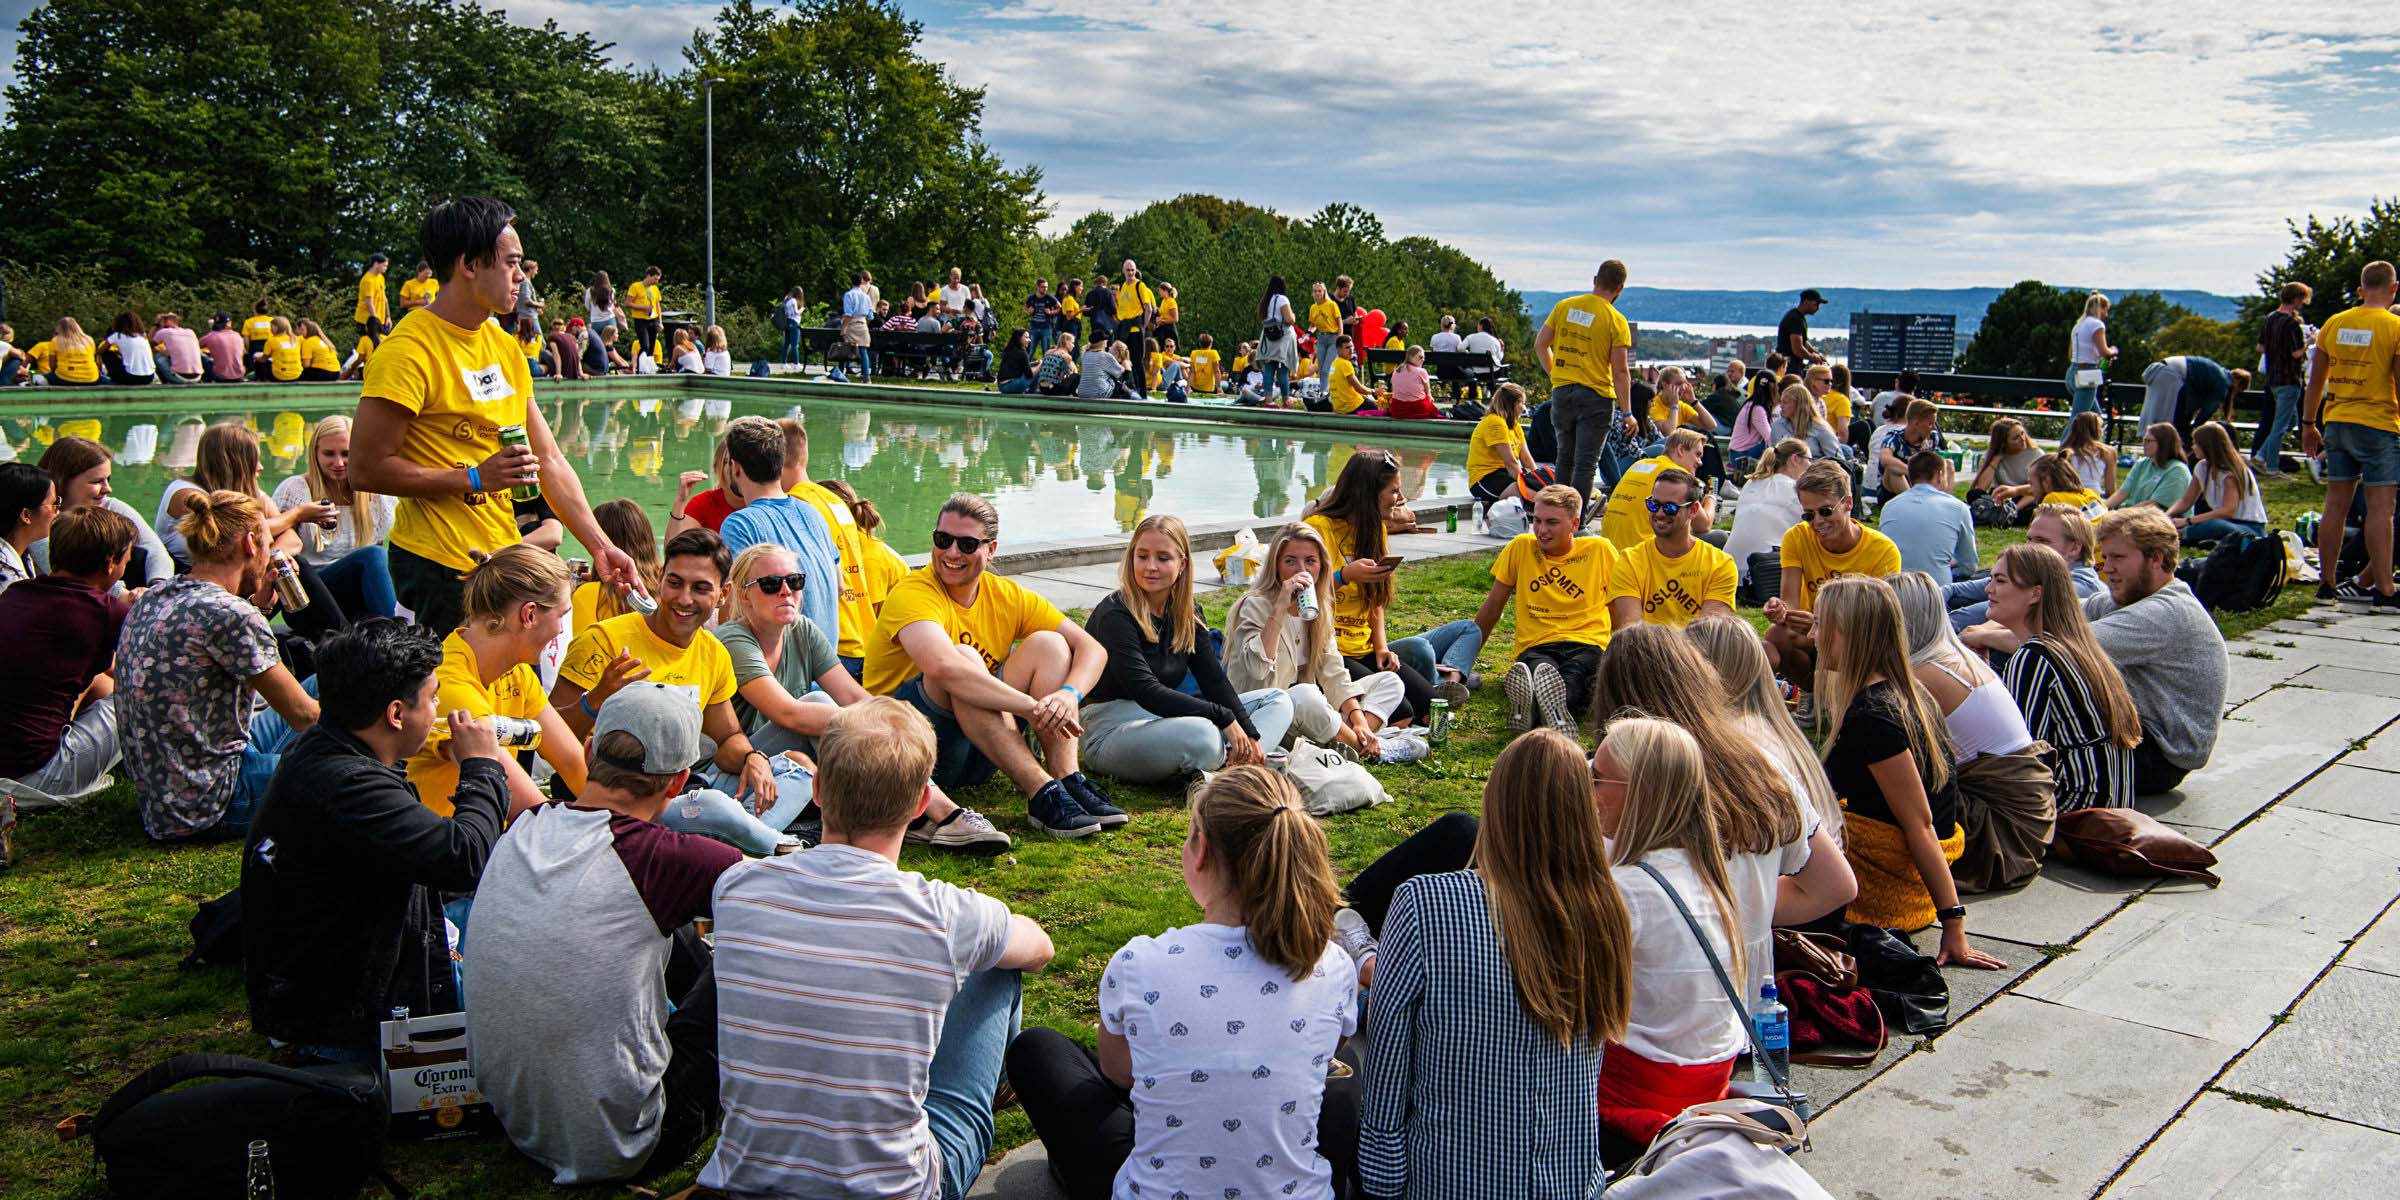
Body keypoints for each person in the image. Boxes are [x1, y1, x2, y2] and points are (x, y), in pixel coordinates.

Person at [698, 698, 1057, 1200]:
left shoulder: (737, 887)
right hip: (896, 1186)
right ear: (920, 804)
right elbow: (1040, 948)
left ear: (817, 789)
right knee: (998, 962)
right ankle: (995, 1087)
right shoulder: (945, 912)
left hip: (749, 1178)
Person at [1008, 766, 1359, 1200]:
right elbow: (1326, 1055)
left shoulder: (1140, 964)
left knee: (1038, 1049)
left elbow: (1120, 1073)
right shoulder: (1333, 965)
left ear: (1201, 850)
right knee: (1343, 1073)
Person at [468, 682, 742, 1185]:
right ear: (679, 782)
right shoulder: (666, 860)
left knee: (667, 918)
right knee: (752, 955)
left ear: (590, 750)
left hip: (521, 1124)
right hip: (631, 1142)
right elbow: (789, 909)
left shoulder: (525, 826)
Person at [1358, 729, 1631, 1200]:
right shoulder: (1606, 910)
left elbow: (1388, 1059)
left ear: (1495, 800)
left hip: (1445, 1184)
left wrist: (1381, 1180)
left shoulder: (1424, 903)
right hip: (1569, 1184)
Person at [352, 196, 636, 635]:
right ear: (469, 264)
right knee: (458, 681)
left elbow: (549, 460)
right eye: (511, 263)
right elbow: (365, 469)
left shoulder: (503, 346)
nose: (521, 276)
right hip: (438, 566)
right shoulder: (406, 352)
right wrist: (473, 478)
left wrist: (600, 546)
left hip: (501, 555)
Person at [238, 619, 504, 1064]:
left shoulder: (323, 747)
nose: (438, 710)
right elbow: (465, 858)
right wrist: (482, 767)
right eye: (432, 698)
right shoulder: (348, 784)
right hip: (347, 1023)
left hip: (337, 982)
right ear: (396, 714)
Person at [718, 543, 1011, 854]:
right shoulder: (734, 639)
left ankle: (919, 813)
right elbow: (788, 714)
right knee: (821, 705)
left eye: (795, 581)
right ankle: (943, 815)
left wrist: (894, 718)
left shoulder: (802, 630)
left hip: (786, 762)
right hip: (737, 764)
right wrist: (878, 724)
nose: (786, 591)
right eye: (770, 584)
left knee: (862, 715)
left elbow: (851, 694)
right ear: (744, 594)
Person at [862, 493, 1120, 838]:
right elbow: (943, 668)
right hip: (909, 750)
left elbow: (1092, 649)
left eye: (967, 544)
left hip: (982, 749)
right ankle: (1042, 793)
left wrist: (1068, 696)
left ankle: (1067, 779)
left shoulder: (1006, 594)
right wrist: (1032, 708)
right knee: (964, 661)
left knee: (1051, 645)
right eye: (943, 540)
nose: (952, 553)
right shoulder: (913, 592)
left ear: (991, 549)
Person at [549, 529, 799, 855]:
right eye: (675, 583)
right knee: (712, 805)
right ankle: (770, 847)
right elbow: (548, 737)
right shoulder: (604, 640)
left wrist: (753, 758)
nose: (684, 599)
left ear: (723, 594)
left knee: (797, 770)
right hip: (617, 802)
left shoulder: (713, 652)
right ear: (660, 580)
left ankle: (718, 841)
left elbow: (727, 738)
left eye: (700, 588)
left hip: (680, 791)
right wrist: (595, 701)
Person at [1812, 577, 2005, 967]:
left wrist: (1953, 924)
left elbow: (1920, 823)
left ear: (1849, 634)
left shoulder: (1874, 716)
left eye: (1820, 625)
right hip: (1903, 881)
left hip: (1888, 890)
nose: (1812, 636)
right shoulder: (1910, 693)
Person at [1590, 717, 1751, 1159]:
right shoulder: (1708, 874)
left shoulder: (1628, 889)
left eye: (1598, 777)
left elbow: (1561, 992)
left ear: (1640, 794)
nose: (1589, 788)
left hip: (1630, 1103)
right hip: (1708, 1087)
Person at [118, 490, 319, 841]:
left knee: (322, 682)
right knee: (356, 767)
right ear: (249, 544)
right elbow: (304, 716)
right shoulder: (230, 614)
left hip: (165, 795)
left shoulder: (156, 597)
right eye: (268, 543)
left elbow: (216, 646)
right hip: (212, 802)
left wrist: (260, 608)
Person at [1077, 515, 1295, 783]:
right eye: (1142, 556)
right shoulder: (1114, 614)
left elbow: (1213, 680)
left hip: (1165, 719)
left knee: (1277, 700)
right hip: (1110, 728)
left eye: (1163, 558)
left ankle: (1229, 769)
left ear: (1182, 563)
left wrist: (1249, 732)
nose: (1150, 567)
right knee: (1204, 735)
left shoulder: (1187, 612)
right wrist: (1224, 718)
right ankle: (1235, 770)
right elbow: (1145, 690)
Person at [1892, 571, 2057, 893]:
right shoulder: (1953, 657)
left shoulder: (1923, 677)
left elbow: (1887, 761)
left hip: (1998, 835)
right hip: (2026, 822)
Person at [400, 546, 587, 818]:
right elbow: (531, 812)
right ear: (529, 614)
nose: (561, 629)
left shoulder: (518, 673)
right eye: (561, 615)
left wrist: (623, 819)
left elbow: (573, 763)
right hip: (451, 842)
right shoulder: (449, 687)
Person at [1963, 544, 2144, 816]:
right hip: (2111, 803)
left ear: (2035, 593)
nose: (1989, 589)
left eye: (2000, 581)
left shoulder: (2034, 657)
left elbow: (2018, 755)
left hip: (2073, 811)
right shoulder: (2074, 646)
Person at [1222, 522, 1406, 759]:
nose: (1301, 570)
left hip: (1308, 711)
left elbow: (1333, 670)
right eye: (1290, 561)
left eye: (1310, 561)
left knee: (1390, 682)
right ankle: (1375, 752)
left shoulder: (1318, 606)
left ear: (1322, 566)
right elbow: (1257, 670)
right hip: (1267, 713)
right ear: (1276, 565)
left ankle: (1353, 740)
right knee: (1305, 694)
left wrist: (1358, 719)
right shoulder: (1255, 605)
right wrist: (1279, 608)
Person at [0, 505, 134, 801]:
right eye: (127, 559)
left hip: (8, 761)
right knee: (141, 695)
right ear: (110, 564)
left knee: (96, 677)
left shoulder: (16, 593)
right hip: (37, 775)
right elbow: (146, 675)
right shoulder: (106, 612)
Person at [1306, 453, 1435, 727]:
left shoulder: (1376, 529)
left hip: (1363, 647)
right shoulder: (1317, 529)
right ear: (1368, 493)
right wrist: (1343, 576)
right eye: (1394, 491)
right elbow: (1299, 595)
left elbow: (1375, 600)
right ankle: (1350, 732)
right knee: (1402, 713)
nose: (1400, 498)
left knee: (1432, 708)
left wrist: (1381, 648)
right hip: (1327, 651)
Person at [2306, 261, 2400, 610]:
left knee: (2335, 506)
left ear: (2360, 290)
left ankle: (2327, 584)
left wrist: (2308, 424)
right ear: (2394, 288)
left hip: (2337, 420)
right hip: (2378, 423)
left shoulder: (2335, 323)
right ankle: (2385, 590)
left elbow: (2316, 381)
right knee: (2381, 510)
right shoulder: (2394, 327)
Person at [1763, 460, 1902, 684]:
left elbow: (1876, 624)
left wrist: (1824, 625)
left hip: (1856, 639)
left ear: (1848, 503)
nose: (1818, 522)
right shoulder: (1797, 537)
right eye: (1809, 515)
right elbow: (1790, 604)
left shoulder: (1883, 550)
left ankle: (1839, 690)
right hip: (1812, 634)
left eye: (1825, 511)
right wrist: (1780, 610)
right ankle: (1810, 691)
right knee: (1775, 635)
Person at [713, 416, 842, 641]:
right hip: (826, 654)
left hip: (779, 658)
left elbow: (733, 611)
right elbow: (839, 586)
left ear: (735, 468)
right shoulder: (812, 513)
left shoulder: (740, 525)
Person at [272, 415, 398, 621]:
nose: (338, 463)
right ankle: (399, 631)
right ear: (315, 453)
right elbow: (272, 545)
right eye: (329, 454)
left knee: (380, 558)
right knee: (374, 555)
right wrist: (298, 515)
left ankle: (393, 627)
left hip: (358, 595)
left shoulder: (376, 493)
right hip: (310, 595)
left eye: (346, 454)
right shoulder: (295, 489)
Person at [1534, 260, 1636, 507]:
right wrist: (1627, 413)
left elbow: (1540, 345)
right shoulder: (1616, 320)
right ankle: (1575, 521)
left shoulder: (1564, 307)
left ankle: (1556, 514)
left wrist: (1556, 375)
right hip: (1596, 397)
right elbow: (1620, 371)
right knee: (1586, 465)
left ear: (1595, 280)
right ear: (1620, 289)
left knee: (1564, 459)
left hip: (1562, 392)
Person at [32, 436, 172, 589]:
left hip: (108, 594)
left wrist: (158, 587)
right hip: (57, 596)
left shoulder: (109, 506)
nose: (107, 489)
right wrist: (123, 595)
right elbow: (63, 572)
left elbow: (154, 549)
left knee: (138, 554)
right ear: (63, 480)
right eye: (96, 481)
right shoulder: (37, 517)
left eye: (108, 480)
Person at [1608, 468, 1736, 629]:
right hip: (1644, 645)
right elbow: (1632, 632)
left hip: (1694, 646)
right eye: (1654, 505)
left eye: (1670, 508)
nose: (1660, 513)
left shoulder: (1720, 565)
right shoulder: (1629, 561)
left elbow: (1708, 634)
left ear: (1693, 510)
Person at [1944, 502, 2103, 631]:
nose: (2029, 547)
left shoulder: (2081, 586)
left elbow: (1988, 611)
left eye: (2042, 541)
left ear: (2074, 549)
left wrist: (1940, 626)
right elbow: (1956, 589)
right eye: (2029, 539)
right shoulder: (2034, 572)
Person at [1598, 428, 1713, 549]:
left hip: (1611, 548)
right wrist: (1711, 499)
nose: (1700, 462)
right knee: (1718, 537)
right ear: (1681, 450)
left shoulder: (1639, 464)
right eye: (1697, 455)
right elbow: (1703, 525)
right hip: (1642, 551)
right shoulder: (1678, 475)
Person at [1723, 438, 1810, 589]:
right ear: (1795, 459)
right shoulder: (1795, 489)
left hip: (1731, 568)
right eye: (1809, 460)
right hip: (1766, 570)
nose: (1811, 466)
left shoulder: (1751, 483)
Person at [1879, 451, 1978, 584]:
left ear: (1910, 476)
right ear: (1940, 475)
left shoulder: (1889, 507)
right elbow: (1969, 565)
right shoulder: (1958, 508)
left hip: (1894, 587)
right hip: (1938, 590)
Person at [2168, 421, 2268, 543]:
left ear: (2208, 446)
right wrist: (2166, 515)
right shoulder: (2202, 467)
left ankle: (2179, 534)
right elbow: (2186, 501)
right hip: (2225, 521)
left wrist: (2187, 521)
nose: (2193, 447)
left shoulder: (2230, 474)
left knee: (2215, 525)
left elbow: (2228, 511)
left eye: (2196, 444)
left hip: (2248, 527)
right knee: (2210, 523)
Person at [2254, 280, 2313, 474]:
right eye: (2302, 299)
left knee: (2288, 421)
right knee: (2281, 425)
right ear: (2296, 299)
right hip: (2289, 378)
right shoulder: (2291, 323)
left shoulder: (2270, 318)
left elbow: (2260, 347)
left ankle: (2261, 455)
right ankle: (2270, 466)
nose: (2302, 303)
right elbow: (2296, 353)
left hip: (2272, 378)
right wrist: (2310, 341)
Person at [1465, 382, 1554, 505]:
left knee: (1546, 488)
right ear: (1513, 404)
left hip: (1505, 474)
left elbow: (1526, 459)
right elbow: (1511, 462)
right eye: (1522, 403)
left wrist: (1539, 480)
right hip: (1485, 479)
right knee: (1532, 497)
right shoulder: (1495, 422)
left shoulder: (1515, 426)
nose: (1524, 408)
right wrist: (1528, 484)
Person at [1873, 397, 1948, 502]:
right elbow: (1885, 459)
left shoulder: (1933, 438)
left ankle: (1942, 501)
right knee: (1892, 469)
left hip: (1923, 483)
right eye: (1930, 424)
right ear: (1916, 424)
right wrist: (1914, 472)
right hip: (1894, 489)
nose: (1933, 428)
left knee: (1948, 464)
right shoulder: (1895, 438)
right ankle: (1914, 502)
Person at [2109, 422, 2194, 511]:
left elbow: (2153, 505)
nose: (2144, 444)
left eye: (2148, 441)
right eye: (2144, 440)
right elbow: (2122, 493)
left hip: (2156, 516)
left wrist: (2119, 515)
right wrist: (2103, 509)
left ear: (2164, 443)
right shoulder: (2142, 463)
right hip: (2132, 512)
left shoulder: (2177, 470)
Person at [0, 462, 57, 591]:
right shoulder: (7, 579)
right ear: (26, 515)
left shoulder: (23, 554)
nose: (57, 512)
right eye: (54, 504)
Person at [1969, 416, 2045, 511]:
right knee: (1973, 494)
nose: (2022, 439)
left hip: (2024, 496)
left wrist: (2015, 509)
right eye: (2016, 438)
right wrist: (1996, 460)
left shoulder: (2036, 454)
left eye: (2022, 433)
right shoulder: (1991, 456)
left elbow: (2037, 489)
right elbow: (1981, 488)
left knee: (2030, 509)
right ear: (2003, 443)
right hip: (2001, 496)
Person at [2068, 292, 2116, 420]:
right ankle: (2068, 435)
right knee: (2077, 419)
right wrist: (2113, 351)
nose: (2106, 314)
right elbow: (2104, 352)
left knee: (2095, 418)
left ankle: (2097, 433)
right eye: (2106, 310)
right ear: (2100, 308)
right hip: (2087, 374)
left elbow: (2071, 354)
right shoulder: (2097, 325)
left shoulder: (2078, 325)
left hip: (2072, 373)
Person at [1770, 381, 1843, 465]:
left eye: (1785, 402)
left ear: (1798, 405)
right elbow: (1772, 457)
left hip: (1815, 471)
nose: (1781, 406)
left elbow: (1838, 461)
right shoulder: (1777, 426)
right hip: (1784, 471)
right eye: (1781, 402)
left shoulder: (1820, 428)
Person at [28, 317, 102, 386]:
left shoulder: (56, 341)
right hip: (91, 378)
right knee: (104, 379)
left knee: (38, 377)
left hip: (64, 378)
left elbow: (52, 365)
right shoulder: (89, 340)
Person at [2030, 452, 2104, 517]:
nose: (2030, 490)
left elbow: (2038, 527)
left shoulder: (2053, 499)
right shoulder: (2091, 493)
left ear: (2046, 481)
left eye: (2031, 483)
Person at [2060, 412, 2117, 495]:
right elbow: (2110, 490)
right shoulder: (2108, 451)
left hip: (2070, 496)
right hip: (2094, 496)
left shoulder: (2065, 451)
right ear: (2097, 429)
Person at [99, 312, 158, 385]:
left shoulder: (117, 336)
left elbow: (100, 350)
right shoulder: (143, 336)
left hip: (132, 377)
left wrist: (115, 353)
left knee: (107, 354)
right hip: (149, 377)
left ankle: (115, 379)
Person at [1384, 345, 1440, 419]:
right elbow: (1428, 394)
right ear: (1410, 357)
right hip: (1416, 408)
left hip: (1398, 409)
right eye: (1420, 357)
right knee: (1430, 405)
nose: (1423, 360)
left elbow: (1394, 389)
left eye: (1423, 358)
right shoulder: (1421, 371)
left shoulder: (1396, 371)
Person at [624, 264, 664, 362]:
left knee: (652, 348)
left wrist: (660, 322)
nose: (656, 282)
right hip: (641, 320)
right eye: (655, 279)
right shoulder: (635, 286)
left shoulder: (655, 289)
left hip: (653, 319)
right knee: (645, 346)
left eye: (658, 279)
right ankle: (639, 366)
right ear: (648, 276)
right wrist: (643, 307)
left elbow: (658, 306)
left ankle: (648, 366)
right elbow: (627, 303)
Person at [1780, 288, 1827, 369]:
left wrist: (1816, 353)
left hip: (1792, 365)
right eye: (1816, 304)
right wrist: (1812, 357)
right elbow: (1797, 349)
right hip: (1789, 366)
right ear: (1806, 302)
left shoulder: (1799, 317)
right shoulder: (1795, 319)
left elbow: (1803, 342)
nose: (1818, 308)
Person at [199, 314, 248, 382]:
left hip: (220, 376)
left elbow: (194, 346)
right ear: (229, 323)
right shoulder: (237, 335)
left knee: (201, 357)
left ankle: (206, 381)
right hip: (239, 375)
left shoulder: (211, 336)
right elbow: (244, 352)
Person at [995, 328, 1036, 394]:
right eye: (1026, 337)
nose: (1029, 340)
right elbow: (1029, 374)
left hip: (1001, 386)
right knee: (1038, 370)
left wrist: (1034, 363)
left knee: (1035, 366)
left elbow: (1018, 365)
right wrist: (1040, 364)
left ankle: (1030, 391)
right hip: (1012, 386)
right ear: (1019, 339)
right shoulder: (1022, 353)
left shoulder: (1009, 350)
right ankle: (1032, 393)